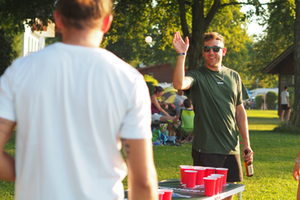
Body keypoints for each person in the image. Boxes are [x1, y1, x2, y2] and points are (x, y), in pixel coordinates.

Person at [0, 1, 158, 200]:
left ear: (57, 19)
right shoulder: (128, 80)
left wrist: (27, 172)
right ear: (107, 22)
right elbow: (143, 180)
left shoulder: (20, 71)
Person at [172, 31, 253, 200]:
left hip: (231, 148)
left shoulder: (234, 76)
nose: (211, 52)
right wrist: (181, 54)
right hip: (207, 148)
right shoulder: (197, 76)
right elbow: (179, 83)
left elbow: (240, 111)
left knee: (228, 195)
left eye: (216, 49)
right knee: (206, 196)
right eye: (207, 49)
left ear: (223, 51)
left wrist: (246, 143)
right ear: (203, 52)